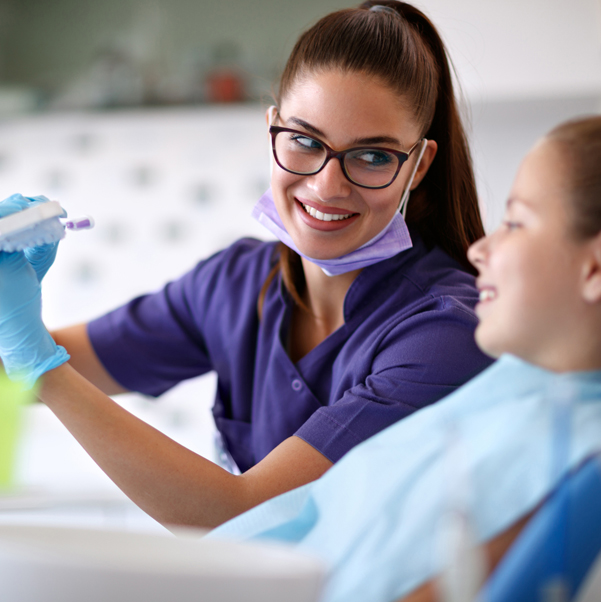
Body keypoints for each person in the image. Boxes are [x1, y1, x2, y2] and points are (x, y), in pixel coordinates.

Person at [0, 1, 490, 529]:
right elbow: (11, 365)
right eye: (304, 141)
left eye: (372, 156)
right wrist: (0, 307)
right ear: (272, 129)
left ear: (418, 165)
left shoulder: (446, 332)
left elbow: (246, 510)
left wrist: (36, 361)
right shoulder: (236, 283)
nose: (326, 185)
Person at [207, 115, 601, 602]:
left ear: (594, 267)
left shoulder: (576, 456)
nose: (480, 249)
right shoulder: (514, 389)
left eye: (516, 222)